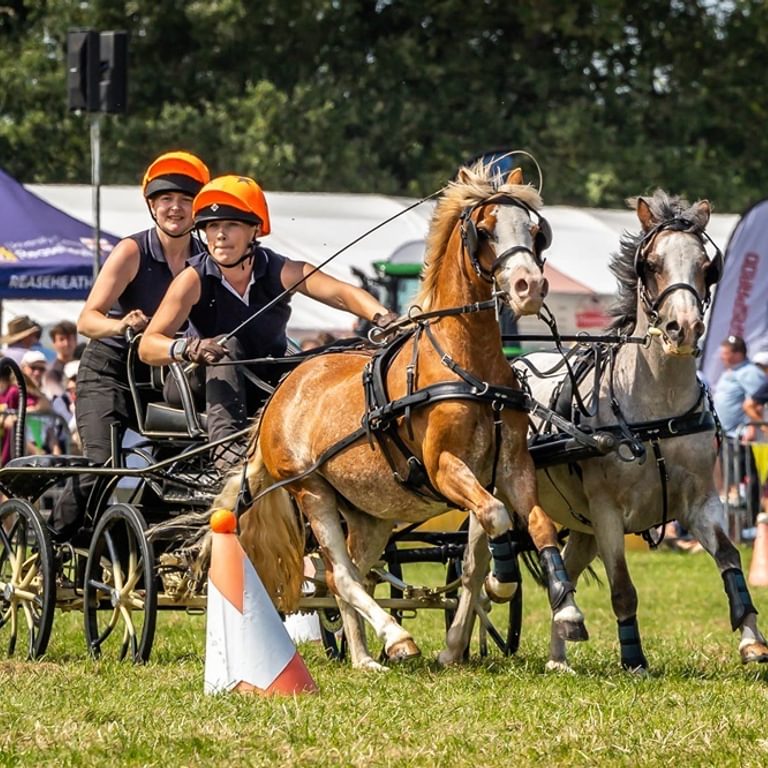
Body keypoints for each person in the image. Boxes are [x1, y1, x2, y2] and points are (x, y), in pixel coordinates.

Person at [139, 174, 397, 446]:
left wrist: (384, 318)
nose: (220, 235)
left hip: (263, 375)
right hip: (198, 381)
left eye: (231, 225)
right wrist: (189, 348)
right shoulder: (192, 279)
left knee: (351, 347)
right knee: (229, 346)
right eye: (212, 226)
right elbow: (148, 346)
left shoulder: (279, 270)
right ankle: (227, 459)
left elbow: (342, 294)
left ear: (254, 230)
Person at [48, 150, 211, 541]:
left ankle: (141, 547)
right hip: (108, 373)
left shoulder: (205, 260)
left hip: (159, 378)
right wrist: (121, 324)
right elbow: (88, 318)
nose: (175, 208)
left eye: (186, 200)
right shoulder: (131, 251)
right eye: (165, 200)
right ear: (152, 208)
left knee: (177, 468)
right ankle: (56, 538)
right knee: (101, 464)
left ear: (198, 210)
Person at [713, 335, 768, 519]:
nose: (722, 357)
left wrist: (753, 427)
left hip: (741, 435)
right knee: (732, 480)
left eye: (726, 353)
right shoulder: (731, 372)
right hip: (726, 435)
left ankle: (752, 520)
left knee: (746, 478)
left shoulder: (749, 372)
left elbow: (757, 401)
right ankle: (737, 523)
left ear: (738, 354)